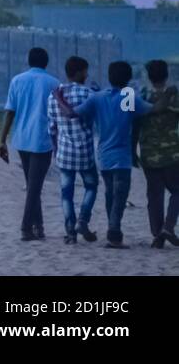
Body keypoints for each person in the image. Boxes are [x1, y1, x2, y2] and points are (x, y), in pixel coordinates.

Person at [73, 60, 153, 248]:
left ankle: (113, 231)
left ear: (109, 77)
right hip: (122, 157)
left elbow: (74, 113)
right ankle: (114, 231)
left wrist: (60, 100)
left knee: (110, 194)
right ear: (128, 78)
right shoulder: (128, 97)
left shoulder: (97, 97)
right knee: (120, 196)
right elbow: (149, 110)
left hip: (104, 157)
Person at [0, 46, 61, 241]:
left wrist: (2, 140)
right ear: (46, 62)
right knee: (34, 187)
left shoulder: (17, 80)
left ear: (29, 61)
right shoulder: (54, 83)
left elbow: (10, 112)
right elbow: (59, 115)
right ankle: (26, 227)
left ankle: (38, 226)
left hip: (22, 139)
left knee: (32, 185)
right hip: (43, 140)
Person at [46, 55, 99, 244]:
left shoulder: (54, 95)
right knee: (91, 186)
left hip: (64, 153)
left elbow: (52, 127)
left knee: (66, 194)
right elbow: (94, 121)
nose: (87, 74)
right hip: (85, 152)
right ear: (79, 72)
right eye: (85, 71)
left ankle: (70, 231)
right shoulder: (89, 95)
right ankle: (83, 220)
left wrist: (55, 148)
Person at [133, 60, 179, 248]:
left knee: (154, 195)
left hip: (148, 154)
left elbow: (133, 124)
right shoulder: (175, 96)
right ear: (166, 75)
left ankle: (157, 235)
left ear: (149, 76)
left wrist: (131, 149)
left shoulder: (141, 95)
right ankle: (168, 226)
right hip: (172, 155)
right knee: (177, 191)